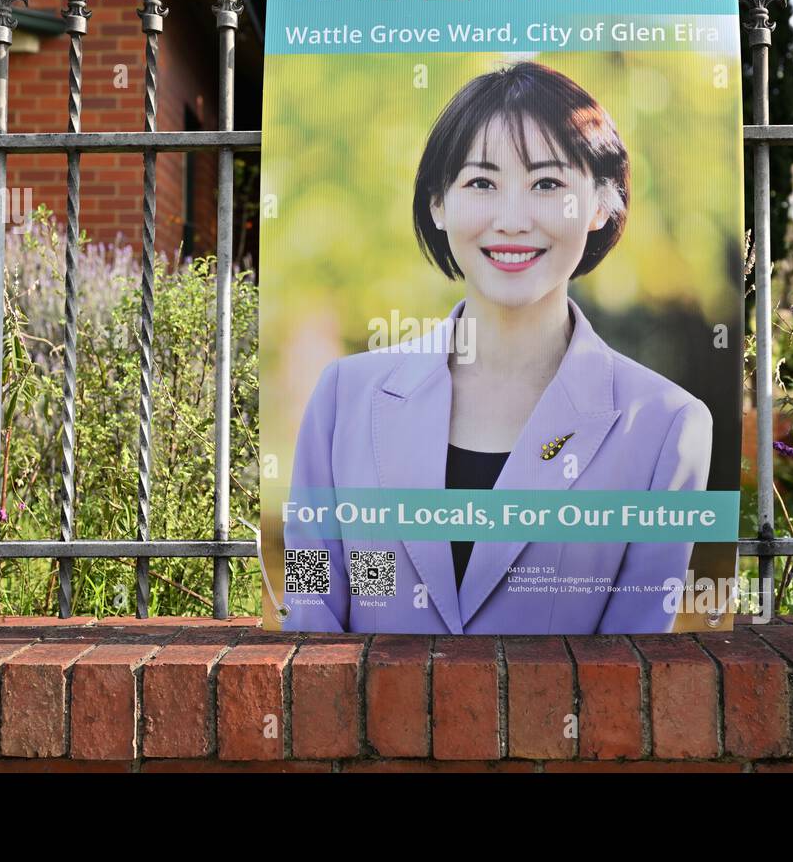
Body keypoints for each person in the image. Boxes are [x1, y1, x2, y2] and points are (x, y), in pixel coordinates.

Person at [281, 60, 713, 634]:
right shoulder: (344, 399)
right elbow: (310, 600)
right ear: (439, 203)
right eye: (481, 182)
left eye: (548, 183)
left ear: (599, 205)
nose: (511, 220)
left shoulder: (666, 427)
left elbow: (634, 663)